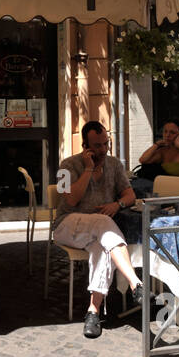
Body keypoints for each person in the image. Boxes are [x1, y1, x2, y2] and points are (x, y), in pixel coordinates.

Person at [53, 121, 143, 340]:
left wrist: (117, 205)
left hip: (98, 232)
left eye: (106, 144)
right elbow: (71, 199)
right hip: (67, 225)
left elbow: (130, 196)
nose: (103, 150)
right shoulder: (65, 166)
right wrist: (88, 169)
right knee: (103, 223)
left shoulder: (114, 165)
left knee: (102, 247)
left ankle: (93, 312)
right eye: (97, 145)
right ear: (86, 146)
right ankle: (135, 283)